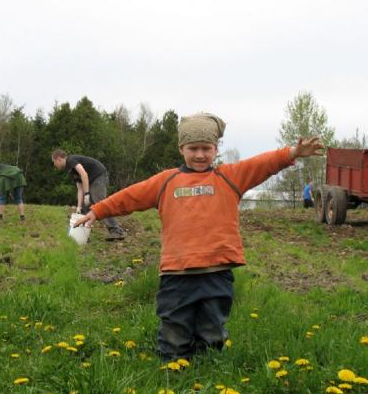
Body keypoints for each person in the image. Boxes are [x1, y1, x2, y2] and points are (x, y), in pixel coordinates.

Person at [74, 113, 324, 361]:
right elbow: (131, 196)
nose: (200, 154)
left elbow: (262, 164)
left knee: (212, 329)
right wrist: (97, 210)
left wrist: (291, 153)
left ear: (216, 148)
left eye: (206, 148)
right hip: (176, 274)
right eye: (193, 148)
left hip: (217, 273)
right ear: (181, 148)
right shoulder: (166, 181)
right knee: (174, 329)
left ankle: (208, 369)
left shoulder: (230, 176)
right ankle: (172, 370)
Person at [51, 149, 125, 241]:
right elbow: (80, 189)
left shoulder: (71, 160)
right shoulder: (70, 169)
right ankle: (82, 235)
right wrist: (78, 207)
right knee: (84, 208)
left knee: (100, 203)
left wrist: (87, 194)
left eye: (54, 162)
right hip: (91, 181)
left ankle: (117, 231)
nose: (54, 165)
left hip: (99, 176)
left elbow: (84, 174)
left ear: (58, 159)